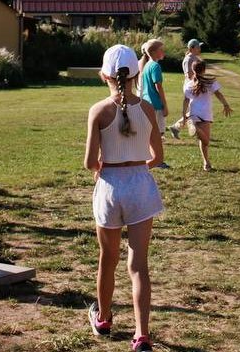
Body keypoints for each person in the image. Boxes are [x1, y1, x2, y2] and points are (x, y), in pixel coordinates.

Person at [84, 44, 164, 352]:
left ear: (103, 75)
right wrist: (138, 167)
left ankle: (104, 319)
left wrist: (105, 168)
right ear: (137, 74)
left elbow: (91, 161)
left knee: (108, 259)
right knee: (138, 264)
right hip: (141, 186)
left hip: (110, 187)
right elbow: (158, 155)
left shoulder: (99, 110)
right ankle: (141, 334)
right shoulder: (145, 108)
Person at [181, 60, 230, 171]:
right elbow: (218, 94)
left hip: (194, 113)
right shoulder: (210, 82)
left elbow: (185, 100)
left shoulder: (188, 84)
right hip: (205, 114)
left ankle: (206, 163)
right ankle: (196, 130)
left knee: (202, 140)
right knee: (206, 141)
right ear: (204, 69)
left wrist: (184, 115)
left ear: (193, 70)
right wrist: (225, 105)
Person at [138, 40, 172, 161]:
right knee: (158, 134)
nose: (163, 52)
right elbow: (158, 86)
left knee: (150, 132)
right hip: (156, 104)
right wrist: (165, 105)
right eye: (161, 49)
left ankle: (148, 157)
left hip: (147, 103)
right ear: (153, 52)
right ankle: (157, 160)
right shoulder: (155, 66)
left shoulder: (147, 65)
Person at [167, 38, 204, 137]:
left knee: (194, 109)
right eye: (198, 47)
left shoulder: (194, 57)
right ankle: (180, 127)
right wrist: (197, 81)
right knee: (194, 110)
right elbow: (189, 75)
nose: (200, 48)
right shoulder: (189, 59)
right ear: (192, 48)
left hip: (194, 86)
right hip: (191, 87)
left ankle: (176, 127)